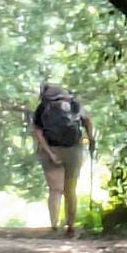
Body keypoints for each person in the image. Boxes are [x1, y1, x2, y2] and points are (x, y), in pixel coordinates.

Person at [31, 81, 96, 237]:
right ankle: (70, 226)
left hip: (51, 149)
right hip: (73, 149)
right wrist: (91, 139)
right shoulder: (74, 103)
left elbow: (38, 132)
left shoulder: (43, 107)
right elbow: (86, 120)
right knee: (70, 189)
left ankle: (54, 225)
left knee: (55, 190)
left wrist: (50, 152)